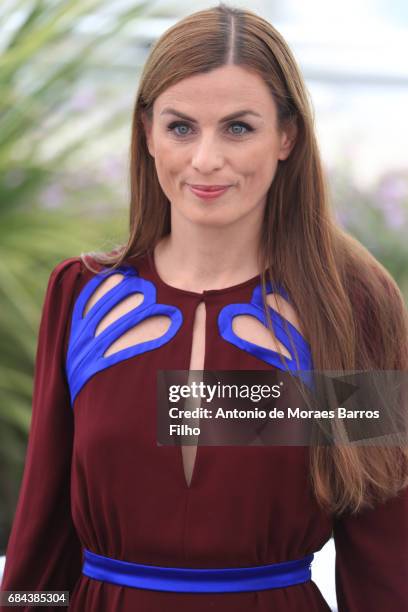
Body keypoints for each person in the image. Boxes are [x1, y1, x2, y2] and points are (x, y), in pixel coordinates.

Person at [1, 3, 407, 611]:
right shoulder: (82, 296)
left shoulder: (350, 304)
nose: (204, 160)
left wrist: (279, 400)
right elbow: (44, 530)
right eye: (181, 127)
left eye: (238, 128)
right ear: (147, 133)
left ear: (287, 136)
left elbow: (383, 553)